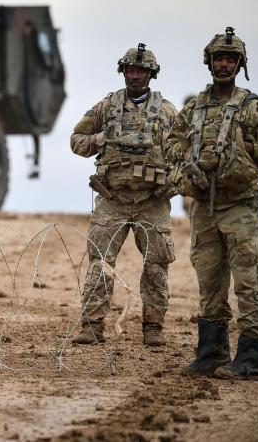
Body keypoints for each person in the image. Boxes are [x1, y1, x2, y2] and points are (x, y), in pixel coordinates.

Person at [167, 27, 258, 379]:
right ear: (209, 63)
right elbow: (171, 144)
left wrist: (251, 149)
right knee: (209, 281)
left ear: (240, 64)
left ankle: (250, 360)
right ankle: (211, 354)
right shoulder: (194, 109)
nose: (223, 64)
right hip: (203, 208)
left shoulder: (254, 107)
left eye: (230, 59)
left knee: (246, 281)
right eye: (218, 58)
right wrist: (190, 157)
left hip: (239, 206)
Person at [70, 43, 177, 346]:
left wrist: (173, 181)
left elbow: (184, 150)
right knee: (100, 263)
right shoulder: (106, 108)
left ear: (151, 74)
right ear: (123, 72)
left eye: (141, 71)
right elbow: (76, 141)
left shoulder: (167, 111)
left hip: (152, 201)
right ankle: (92, 326)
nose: (135, 75)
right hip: (112, 199)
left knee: (156, 266)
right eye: (130, 70)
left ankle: (153, 328)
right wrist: (101, 138)